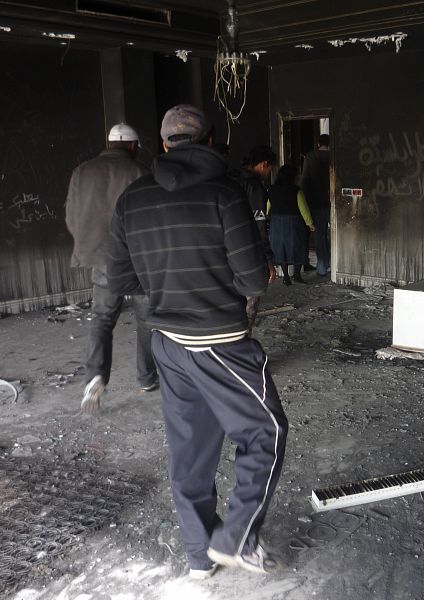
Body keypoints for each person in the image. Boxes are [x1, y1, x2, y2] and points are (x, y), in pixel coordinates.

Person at [106, 104, 288, 578]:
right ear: (210, 142)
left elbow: (122, 280)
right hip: (220, 342)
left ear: (164, 144)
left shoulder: (132, 199)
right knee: (265, 432)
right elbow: (253, 280)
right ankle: (236, 539)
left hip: (167, 342)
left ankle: (199, 554)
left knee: (189, 449)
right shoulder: (224, 193)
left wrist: (168, 288)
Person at [65, 122, 158, 413]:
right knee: (147, 320)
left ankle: (95, 376)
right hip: (138, 260)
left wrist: (92, 246)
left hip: (103, 259)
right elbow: (152, 218)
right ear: (133, 146)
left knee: (102, 319)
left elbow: (71, 216)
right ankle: (146, 377)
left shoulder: (82, 172)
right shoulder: (141, 172)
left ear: (109, 143)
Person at [232, 145, 279, 332]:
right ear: (263, 164)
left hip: (223, 253)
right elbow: (259, 227)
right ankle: (243, 341)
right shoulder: (254, 187)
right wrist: (268, 259)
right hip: (247, 254)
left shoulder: (230, 178)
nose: (268, 173)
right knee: (249, 304)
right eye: (270, 169)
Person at [267, 164, 315, 285]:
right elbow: (304, 209)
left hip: (276, 224)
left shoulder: (271, 190)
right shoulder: (296, 191)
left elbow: (268, 207)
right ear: (291, 176)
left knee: (281, 250)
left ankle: (286, 277)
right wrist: (310, 223)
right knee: (299, 248)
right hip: (293, 224)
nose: (298, 177)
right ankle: (297, 275)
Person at [301, 134, 331, 276]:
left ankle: (322, 267)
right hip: (335, 200)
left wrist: (304, 201)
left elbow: (305, 181)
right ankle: (334, 265)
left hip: (316, 201)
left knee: (319, 235)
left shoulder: (310, 157)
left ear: (318, 143)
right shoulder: (334, 156)